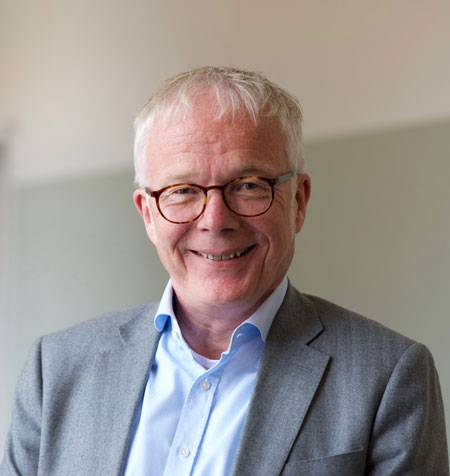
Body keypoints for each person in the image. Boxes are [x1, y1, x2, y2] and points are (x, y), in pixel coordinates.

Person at [1, 66, 449, 476]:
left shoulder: (389, 376)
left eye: (248, 185)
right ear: (148, 215)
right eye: (182, 190)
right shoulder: (55, 370)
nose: (215, 220)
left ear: (298, 202)